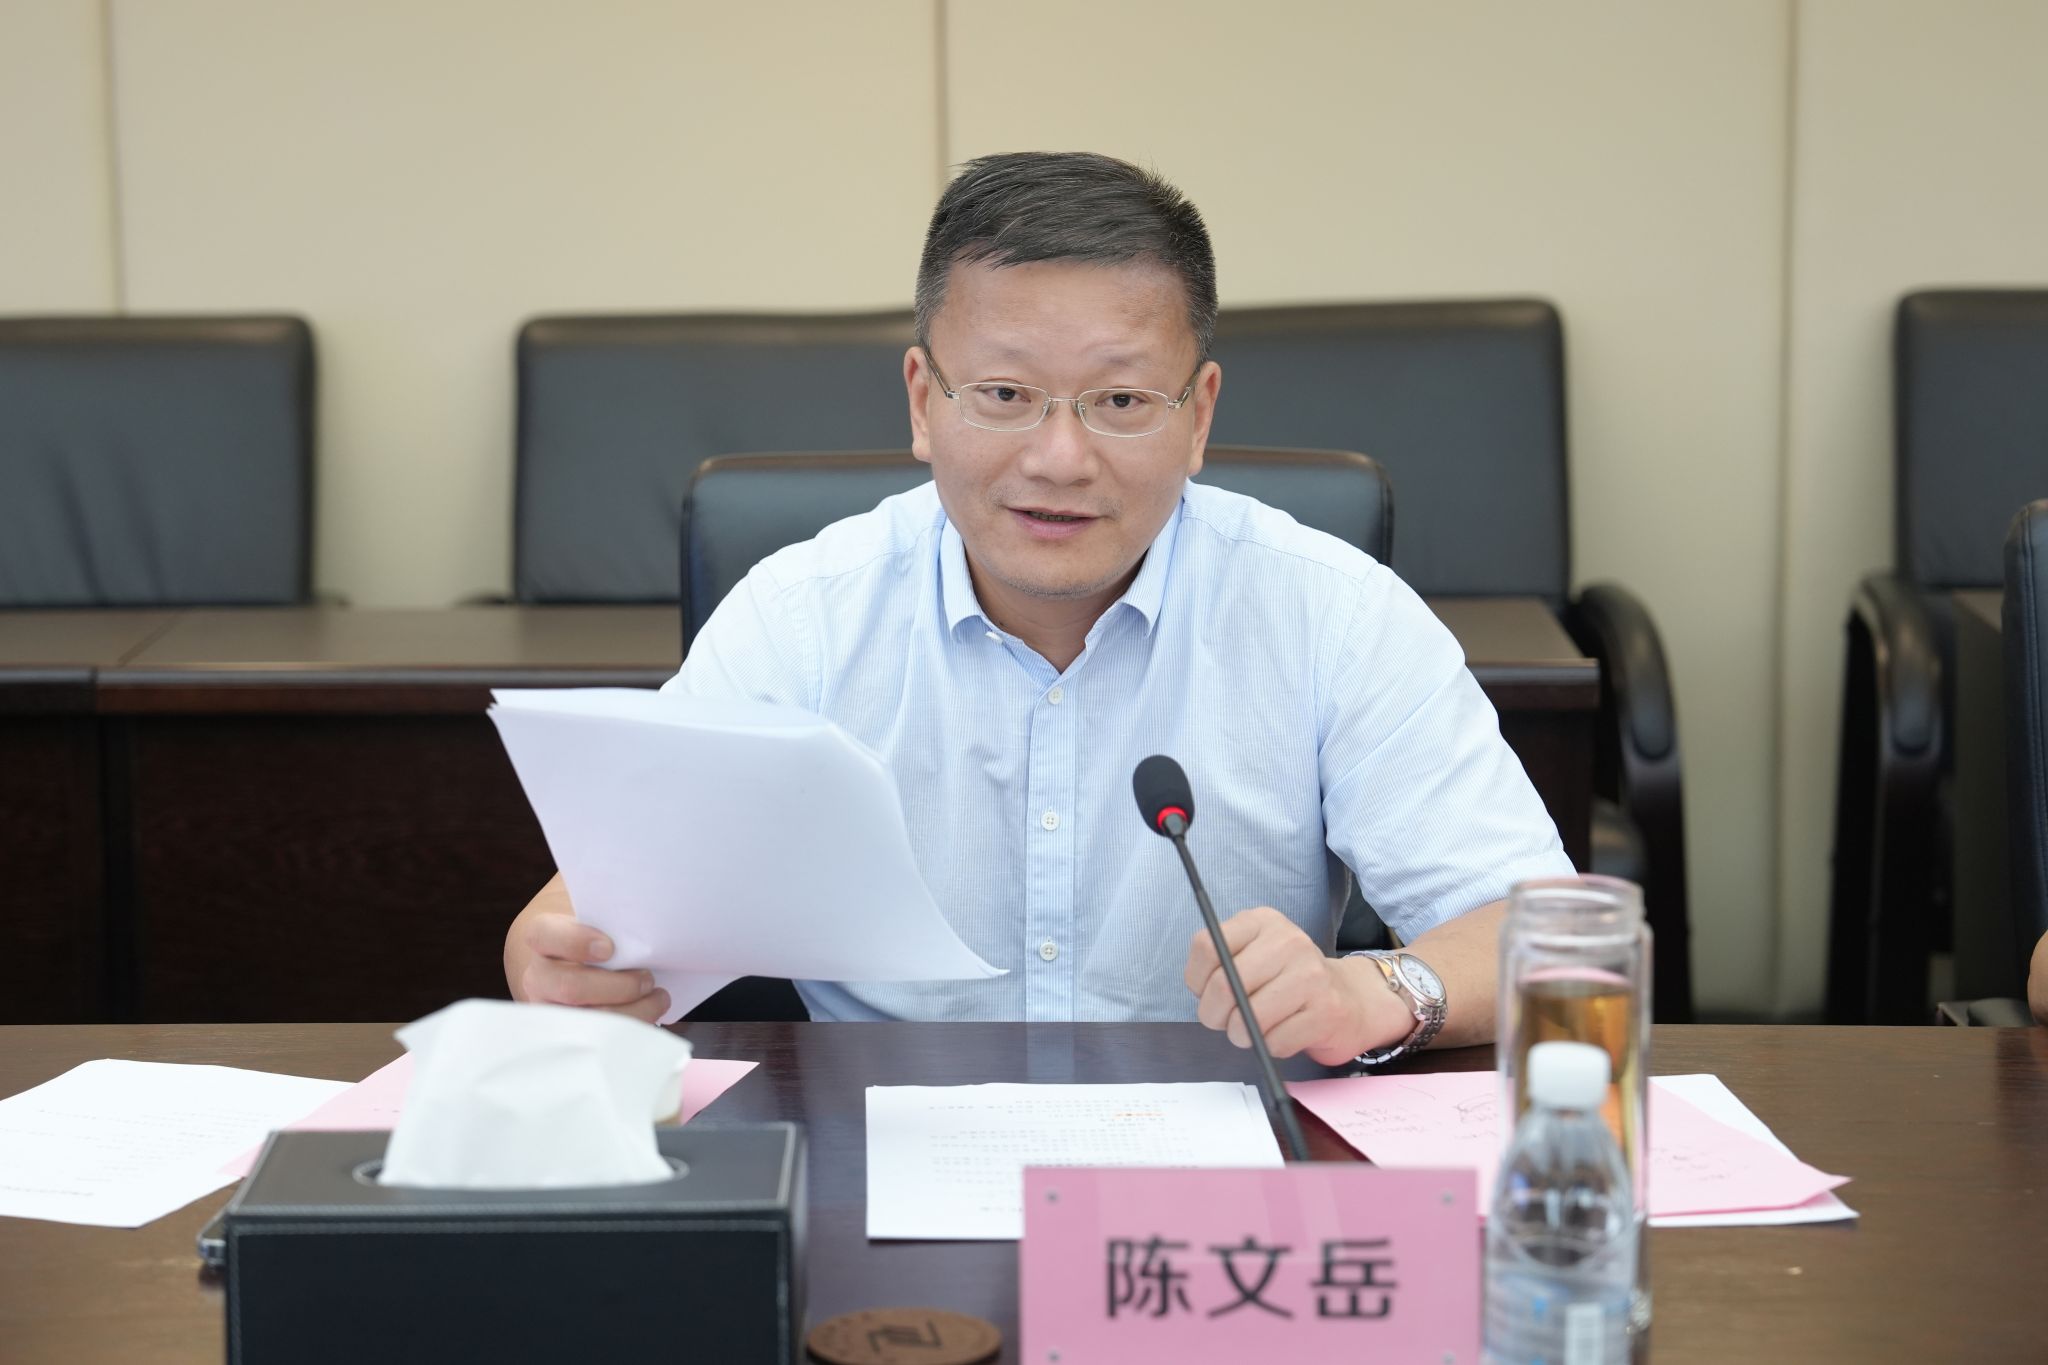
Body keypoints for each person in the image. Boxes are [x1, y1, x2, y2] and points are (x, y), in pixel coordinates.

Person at [505, 151, 1574, 1065]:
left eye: (1121, 401)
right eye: (1006, 395)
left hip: (1218, 1166)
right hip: (882, 1155)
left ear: (1198, 415)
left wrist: (1373, 992)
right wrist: (564, 959)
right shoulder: (802, 618)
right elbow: (602, 910)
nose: (1059, 459)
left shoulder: (1331, 614)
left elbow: (1546, 942)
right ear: (923, 401)